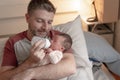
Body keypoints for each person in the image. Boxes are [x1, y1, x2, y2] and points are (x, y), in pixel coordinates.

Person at [0, 0, 76, 80]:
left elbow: (70, 67)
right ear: (27, 18)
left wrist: (30, 73)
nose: (45, 27)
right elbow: (3, 77)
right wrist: (30, 62)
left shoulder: (59, 38)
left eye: (49, 22)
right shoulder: (14, 42)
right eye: (39, 21)